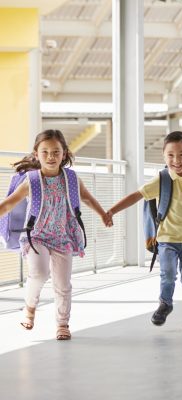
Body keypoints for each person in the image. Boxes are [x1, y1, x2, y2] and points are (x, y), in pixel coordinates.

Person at [106, 131, 182, 329]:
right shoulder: (161, 179)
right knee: (167, 274)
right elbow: (136, 195)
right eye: (170, 155)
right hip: (167, 239)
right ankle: (165, 304)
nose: (176, 160)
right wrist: (111, 211)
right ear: (164, 156)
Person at [0, 129, 110, 340]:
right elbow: (9, 204)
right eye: (45, 152)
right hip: (36, 236)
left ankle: (62, 324)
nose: (51, 157)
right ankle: (30, 307)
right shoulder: (31, 181)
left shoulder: (71, 178)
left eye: (56, 152)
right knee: (39, 273)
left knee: (63, 284)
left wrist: (103, 214)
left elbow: (86, 198)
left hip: (62, 237)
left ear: (64, 153)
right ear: (36, 154)